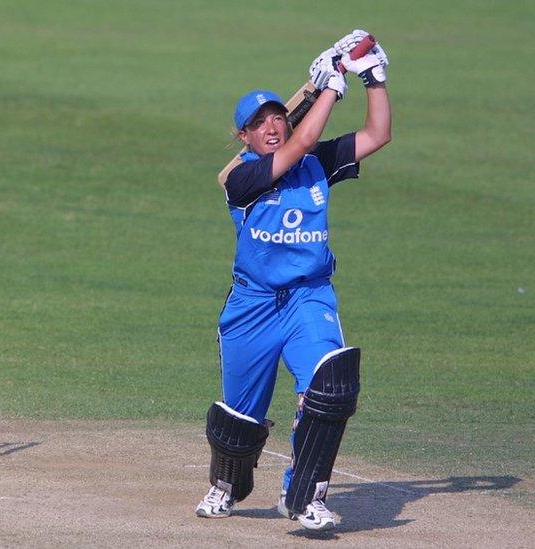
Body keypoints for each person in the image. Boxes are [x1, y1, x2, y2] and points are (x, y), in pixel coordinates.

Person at [195, 30, 391, 531]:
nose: (270, 127)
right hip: (253, 305)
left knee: (329, 386)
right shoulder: (241, 179)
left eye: (275, 116)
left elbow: (376, 136)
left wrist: (371, 79)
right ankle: (226, 486)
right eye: (256, 124)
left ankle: (304, 496)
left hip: (308, 298)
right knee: (239, 420)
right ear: (244, 138)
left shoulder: (314, 164)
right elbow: (301, 136)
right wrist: (328, 84)